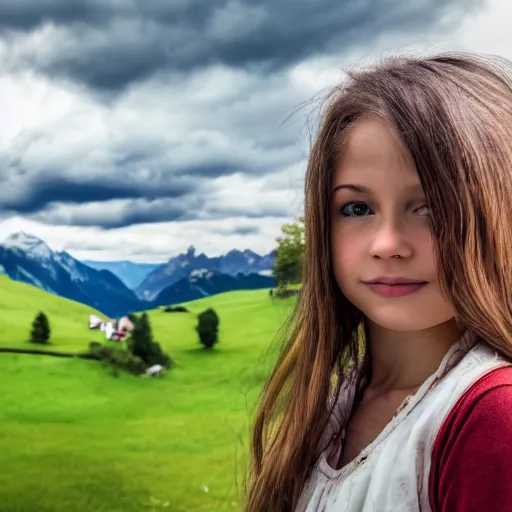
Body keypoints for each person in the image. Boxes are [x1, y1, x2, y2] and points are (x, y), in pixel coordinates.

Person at [244, 52, 512, 512]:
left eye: (431, 208)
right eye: (357, 208)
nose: (387, 244)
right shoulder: (337, 401)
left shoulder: (493, 418)